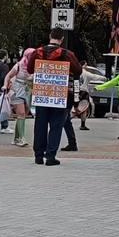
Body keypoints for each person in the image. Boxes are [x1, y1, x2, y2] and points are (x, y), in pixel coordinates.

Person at [27, 27, 82, 166]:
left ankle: (38, 156)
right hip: (60, 95)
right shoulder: (67, 54)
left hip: (42, 93)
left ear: (49, 36)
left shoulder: (37, 52)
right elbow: (78, 70)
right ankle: (50, 156)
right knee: (56, 125)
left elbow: (29, 69)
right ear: (62, 39)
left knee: (40, 124)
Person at [3, 48, 35, 147]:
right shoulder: (19, 65)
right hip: (17, 91)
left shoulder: (36, 66)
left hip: (28, 91)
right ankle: (21, 138)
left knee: (23, 115)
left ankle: (16, 138)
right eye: (31, 55)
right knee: (21, 113)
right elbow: (8, 76)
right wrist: (5, 85)